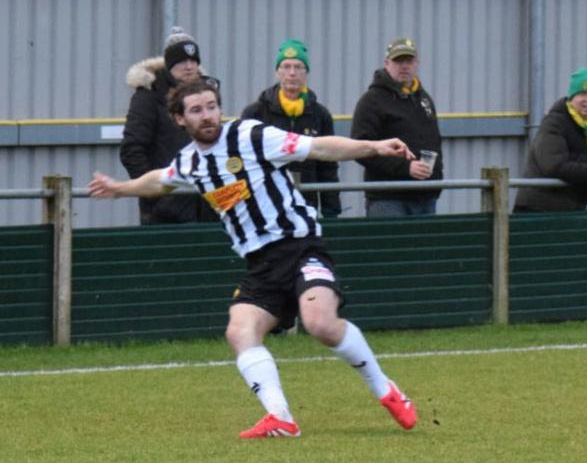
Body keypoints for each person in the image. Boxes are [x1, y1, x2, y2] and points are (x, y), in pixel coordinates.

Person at [89, 78, 419, 439]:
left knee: (320, 322)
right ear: (179, 119)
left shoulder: (250, 136)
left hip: (300, 245)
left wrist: (372, 146)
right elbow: (160, 181)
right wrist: (120, 189)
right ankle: (281, 417)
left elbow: (318, 147)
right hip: (260, 263)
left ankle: (386, 389)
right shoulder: (190, 162)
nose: (208, 116)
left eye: (212, 106)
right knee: (239, 330)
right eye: (197, 110)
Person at [119, 27, 220, 225]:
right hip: (165, 209)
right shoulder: (148, 96)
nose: (189, 66)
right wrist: (156, 193)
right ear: (168, 64)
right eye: (181, 61)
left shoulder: (208, 94)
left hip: (208, 204)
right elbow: (132, 149)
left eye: (193, 60)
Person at [240, 39, 342, 219]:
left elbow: (328, 165)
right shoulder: (255, 113)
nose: (292, 73)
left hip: (306, 204)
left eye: (298, 67)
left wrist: (331, 209)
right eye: (286, 67)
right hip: (265, 204)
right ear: (277, 72)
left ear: (306, 73)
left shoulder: (320, 115)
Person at [350, 37, 443, 217]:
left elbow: (435, 142)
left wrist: (437, 181)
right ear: (387, 63)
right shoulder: (372, 101)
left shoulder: (424, 100)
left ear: (417, 63)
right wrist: (405, 168)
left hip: (426, 197)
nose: (404, 66)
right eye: (398, 61)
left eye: (409, 61)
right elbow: (359, 148)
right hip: (388, 198)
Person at [513, 67, 587, 212]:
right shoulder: (554, 123)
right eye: (582, 94)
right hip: (539, 208)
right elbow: (554, 165)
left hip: (574, 206)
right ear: (571, 97)